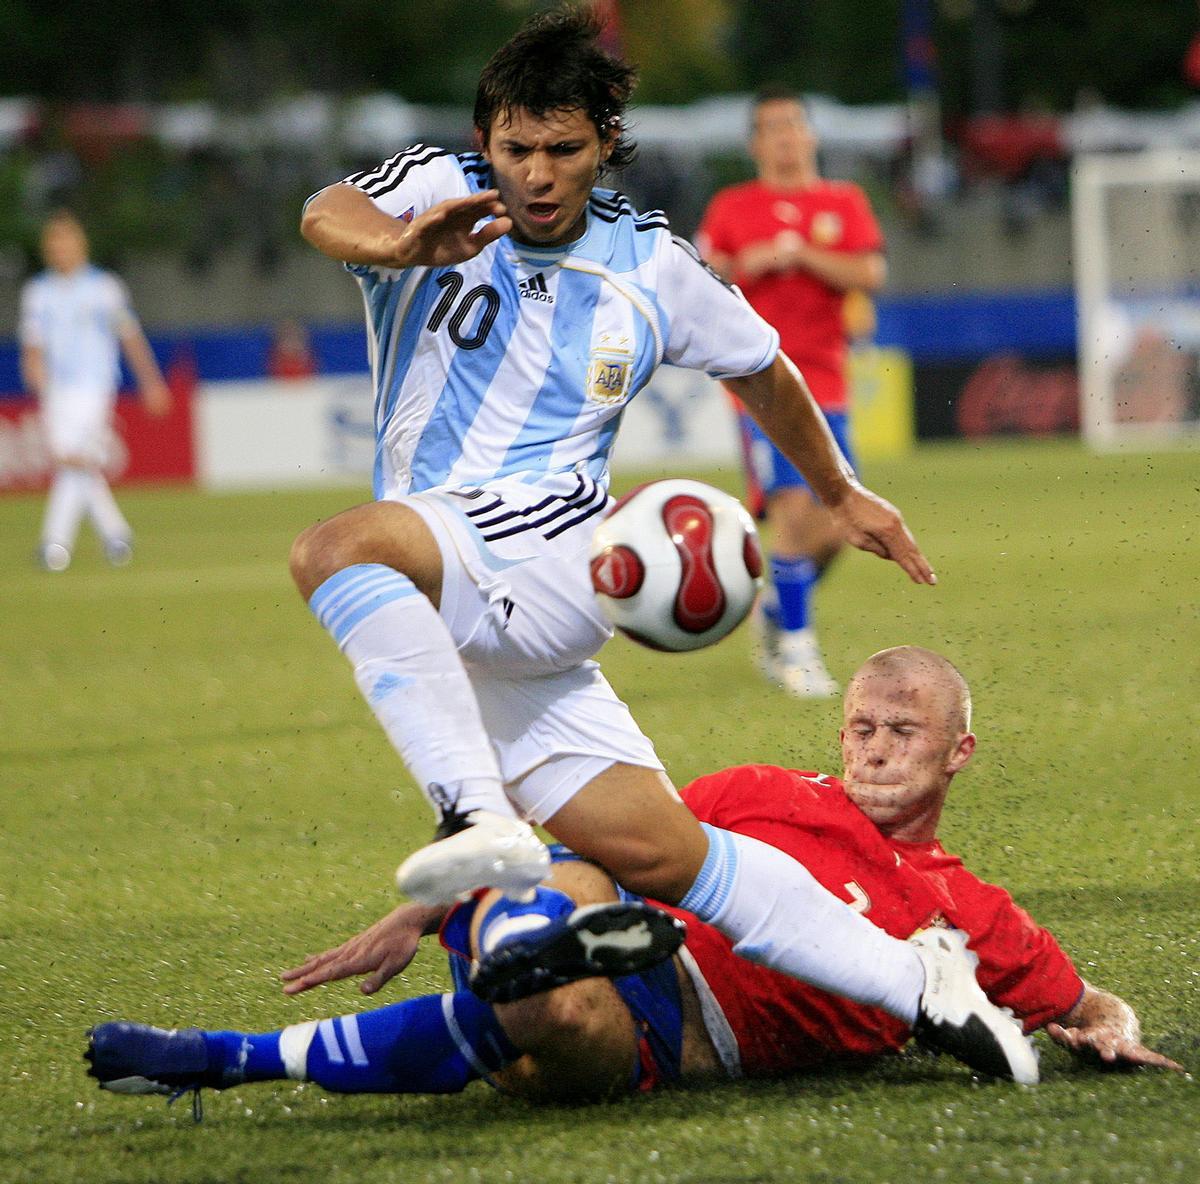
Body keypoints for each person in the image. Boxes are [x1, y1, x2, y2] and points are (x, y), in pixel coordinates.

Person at [284, 5, 1021, 1079]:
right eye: (517, 148)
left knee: (333, 549)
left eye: (564, 149)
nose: (536, 173)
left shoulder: (649, 262)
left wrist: (840, 490)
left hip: (555, 562)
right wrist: (398, 246)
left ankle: (473, 812)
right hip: (469, 602)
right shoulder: (435, 188)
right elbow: (324, 207)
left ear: (605, 143)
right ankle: (921, 984)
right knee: (670, 853)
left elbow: (765, 367)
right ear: (485, 140)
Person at [86, 647, 1182, 1112]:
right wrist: (415, 906)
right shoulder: (762, 790)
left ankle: (228, 1060)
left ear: (958, 754)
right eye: (861, 724)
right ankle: (516, 927)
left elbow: (1091, 1003)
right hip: (607, 903)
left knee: (543, 1003)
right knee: (578, 860)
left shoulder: (973, 912)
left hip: (678, 1032)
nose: (877, 747)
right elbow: (585, 822)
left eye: (905, 730)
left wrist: (1104, 1025)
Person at [698, 89, 887, 697]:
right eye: (771, 128)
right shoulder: (732, 206)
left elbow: (870, 273)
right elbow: (700, 274)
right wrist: (748, 262)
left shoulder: (842, 202)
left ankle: (777, 607)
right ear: (756, 143)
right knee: (793, 509)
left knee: (838, 525)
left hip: (828, 381)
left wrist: (804, 255)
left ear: (810, 136)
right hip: (758, 380)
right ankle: (798, 654)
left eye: (792, 126)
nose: (784, 137)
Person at [19, 210, 171, 571]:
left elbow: (129, 336)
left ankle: (54, 545)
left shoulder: (104, 287)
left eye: (66, 242)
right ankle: (116, 534)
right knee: (74, 461)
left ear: (80, 244)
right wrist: (35, 372)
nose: (61, 250)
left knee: (72, 457)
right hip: (56, 388)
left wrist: (150, 381)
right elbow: (33, 343)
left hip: (94, 385)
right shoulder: (38, 292)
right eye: (54, 244)